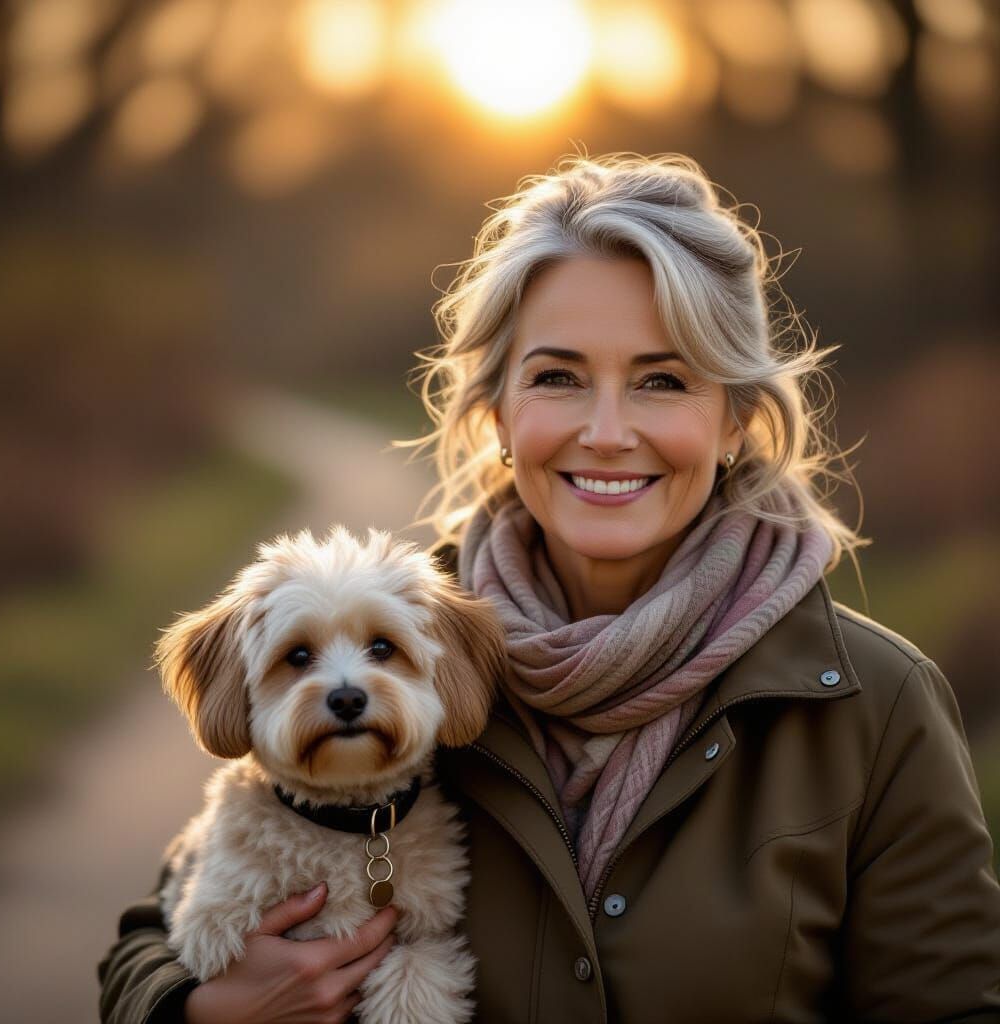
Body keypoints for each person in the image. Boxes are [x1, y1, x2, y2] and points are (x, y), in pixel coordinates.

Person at [99, 153, 1000, 1022]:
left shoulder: (873, 706)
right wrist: (200, 1010)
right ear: (496, 412)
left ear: (733, 420)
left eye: (663, 381)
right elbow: (152, 932)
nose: (607, 433)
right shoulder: (412, 636)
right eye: (559, 377)